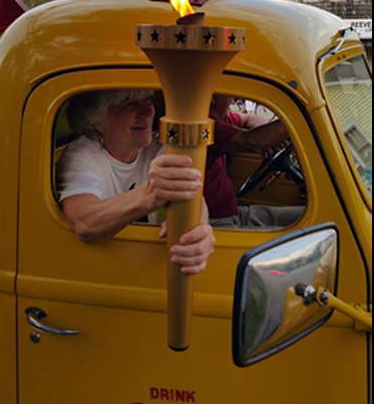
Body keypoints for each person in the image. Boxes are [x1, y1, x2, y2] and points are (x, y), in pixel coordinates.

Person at [57, 89, 215, 274]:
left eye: (148, 99)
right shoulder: (82, 154)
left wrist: (200, 230)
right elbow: (84, 221)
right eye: (130, 102)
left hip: (148, 270)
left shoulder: (158, 148)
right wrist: (149, 194)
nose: (148, 111)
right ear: (97, 120)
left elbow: (192, 192)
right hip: (98, 274)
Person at [204, 94, 304, 228]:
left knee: (309, 218)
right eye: (228, 94)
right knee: (305, 234)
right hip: (216, 223)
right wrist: (301, 117)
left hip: (235, 214)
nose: (233, 99)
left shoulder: (222, 118)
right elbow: (251, 141)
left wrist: (267, 135)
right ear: (212, 98)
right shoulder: (205, 126)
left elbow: (249, 118)